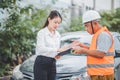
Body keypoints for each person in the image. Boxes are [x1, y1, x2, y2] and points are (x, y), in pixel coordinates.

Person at [72, 10, 114, 80]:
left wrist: (83, 50)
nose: (86, 29)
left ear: (94, 23)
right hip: (99, 74)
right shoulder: (98, 34)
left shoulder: (103, 35)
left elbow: (100, 53)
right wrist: (82, 45)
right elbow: (95, 50)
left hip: (102, 75)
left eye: (87, 26)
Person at [34, 10, 67, 80]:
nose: (57, 25)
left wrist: (57, 54)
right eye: (55, 22)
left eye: (58, 23)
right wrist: (56, 50)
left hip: (52, 63)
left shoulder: (58, 35)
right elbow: (40, 49)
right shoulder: (42, 33)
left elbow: (55, 50)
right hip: (41, 63)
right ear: (49, 19)